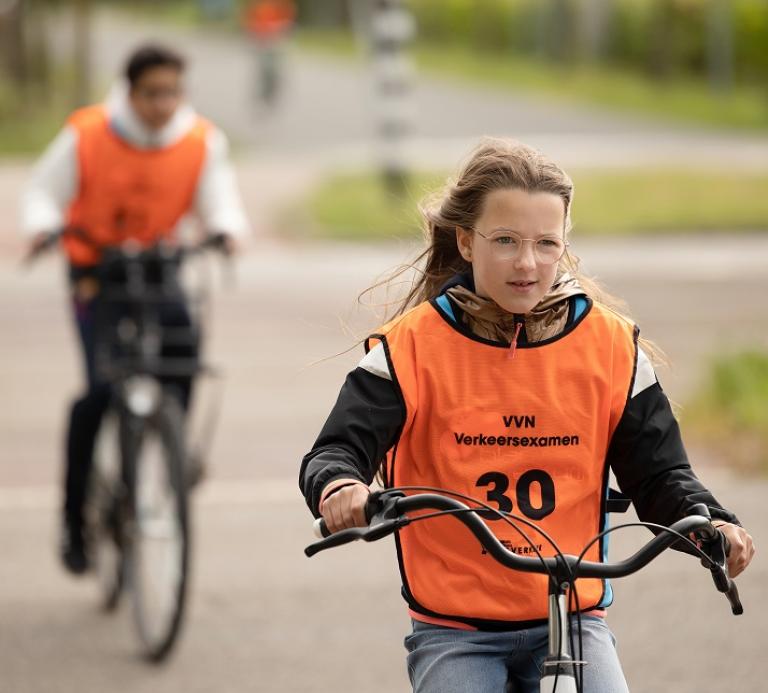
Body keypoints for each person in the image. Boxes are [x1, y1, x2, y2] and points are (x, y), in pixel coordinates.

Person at [299, 139, 755, 692]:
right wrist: (339, 486)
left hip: (572, 616)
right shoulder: (410, 348)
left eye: (546, 243)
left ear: (563, 245)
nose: (527, 262)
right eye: (507, 241)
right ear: (466, 241)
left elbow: (660, 474)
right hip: (456, 630)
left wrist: (711, 523)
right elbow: (336, 450)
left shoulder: (610, 346)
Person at [21, 44, 250, 576]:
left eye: (172, 92)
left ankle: (172, 444)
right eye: (152, 93)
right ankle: (74, 519)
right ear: (129, 91)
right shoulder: (88, 133)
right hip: (96, 274)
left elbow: (220, 199)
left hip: (158, 267)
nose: (163, 104)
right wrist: (42, 225)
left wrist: (227, 229)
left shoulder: (200, 140)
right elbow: (43, 192)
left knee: (185, 356)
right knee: (99, 391)